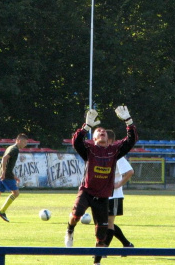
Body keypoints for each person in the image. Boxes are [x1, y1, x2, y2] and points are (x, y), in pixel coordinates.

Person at [65, 106, 138, 265]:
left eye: (104, 130)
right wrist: (87, 126)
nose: (102, 131)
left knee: (101, 234)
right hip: (87, 191)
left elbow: (131, 140)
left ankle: (96, 263)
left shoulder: (115, 150)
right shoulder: (89, 149)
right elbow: (76, 141)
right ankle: (70, 231)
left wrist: (128, 121)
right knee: (76, 214)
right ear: (94, 138)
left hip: (103, 197)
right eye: (98, 131)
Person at [106, 129, 135, 252]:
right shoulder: (101, 155)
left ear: (111, 141)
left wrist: (118, 184)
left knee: (108, 223)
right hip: (104, 195)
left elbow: (130, 172)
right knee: (105, 223)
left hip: (114, 196)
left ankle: (103, 250)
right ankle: (127, 244)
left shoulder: (117, 156)